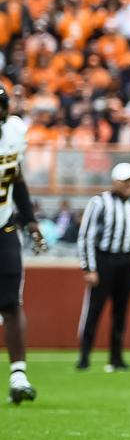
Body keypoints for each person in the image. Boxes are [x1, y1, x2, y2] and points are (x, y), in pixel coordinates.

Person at [76, 163, 130, 372]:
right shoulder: (99, 202)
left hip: (126, 261)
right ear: (115, 181)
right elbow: (86, 235)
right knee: (94, 310)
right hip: (104, 260)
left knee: (121, 312)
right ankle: (84, 357)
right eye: (126, 180)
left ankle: (116, 358)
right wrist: (89, 267)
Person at [0, 87, 47, 404]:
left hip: (4, 226)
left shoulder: (16, 131)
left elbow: (16, 178)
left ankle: (18, 374)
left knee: (11, 300)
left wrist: (30, 221)